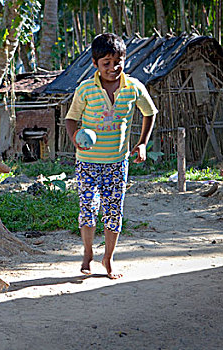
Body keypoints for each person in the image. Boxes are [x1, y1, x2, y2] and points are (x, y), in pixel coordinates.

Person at [65, 33, 157, 279]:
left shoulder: (134, 88)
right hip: (87, 163)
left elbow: (150, 113)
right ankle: (87, 253)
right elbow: (71, 119)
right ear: (95, 64)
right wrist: (75, 138)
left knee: (114, 211)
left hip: (117, 162)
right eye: (106, 63)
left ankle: (109, 257)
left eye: (118, 62)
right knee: (88, 209)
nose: (113, 68)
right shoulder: (85, 89)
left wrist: (142, 144)